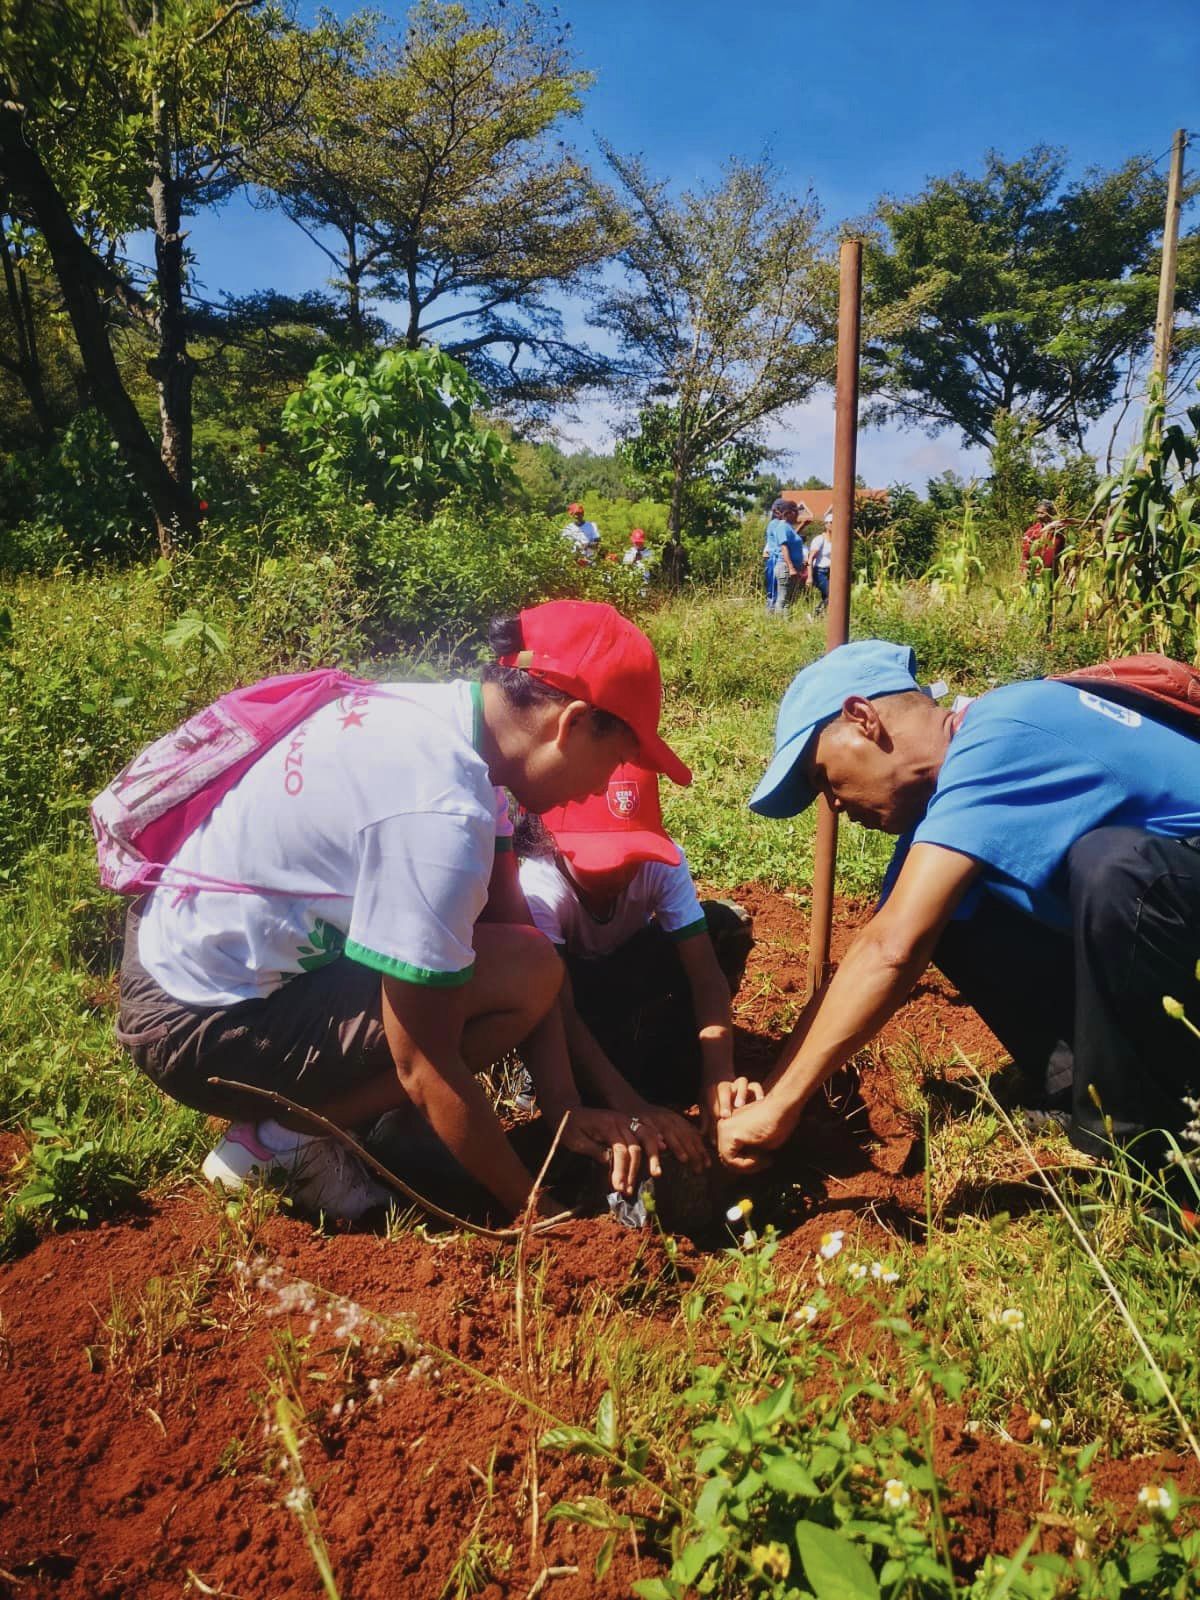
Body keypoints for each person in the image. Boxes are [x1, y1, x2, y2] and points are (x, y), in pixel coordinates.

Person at [114, 600, 693, 1221]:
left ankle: (367, 1124)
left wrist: (566, 1105)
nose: (605, 790)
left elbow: (524, 949)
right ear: (572, 723)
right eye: (616, 761)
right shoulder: (441, 807)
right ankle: (278, 1143)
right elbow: (423, 1060)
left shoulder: (445, 725)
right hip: (192, 1021)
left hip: (190, 953)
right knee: (475, 1003)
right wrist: (531, 1211)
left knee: (526, 967)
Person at [718, 639, 1200, 1193]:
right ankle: (1081, 1090)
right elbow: (882, 943)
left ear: (863, 718)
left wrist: (781, 1106)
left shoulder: (1004, 730)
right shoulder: (961, 786)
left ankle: (1156, 1160)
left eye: (823, 776)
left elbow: (890, 951)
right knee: (945, 914)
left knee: (1116, 869)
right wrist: (777, 1085)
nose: (832, 804)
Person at [516, 763, 759, 1149]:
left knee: (725, 925)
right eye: (603, 861)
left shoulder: (663, 865)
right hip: (569, 989)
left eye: (632, 858)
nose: (619, 874)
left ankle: (673, 1062)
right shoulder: (539, 887)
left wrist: (718, 1073)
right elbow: (559, 1009)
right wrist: (629, 1105)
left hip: (628, 964)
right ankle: (550, 1076)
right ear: (555, 840)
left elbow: (705, 975)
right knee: (579, 1053)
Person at [1020, 499, 1065, 579]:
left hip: (1052, 576)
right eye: (1037, 513)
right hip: (1035, 576)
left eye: (1042, 513)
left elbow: (1063, 554)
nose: (1038, 516)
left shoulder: (1059, 533)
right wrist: (1024, 569)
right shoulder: (1031, 532)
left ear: (1050, 514)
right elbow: (1025, 554)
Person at [807, 512, 833, 609]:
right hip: (819, 572)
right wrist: (809, 577)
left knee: (827, 596)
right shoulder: (819, 539)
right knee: (832, 595)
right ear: (826, 524)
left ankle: (821, 617)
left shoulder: (836, 540)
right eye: (831, 522)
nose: (833, 525)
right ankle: (816, 614)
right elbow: (810, 558)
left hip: (830, 572)